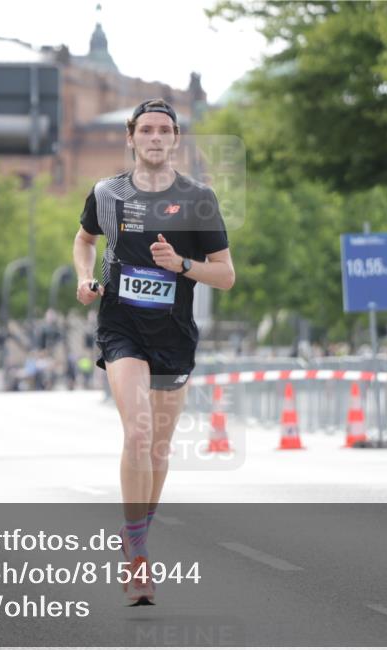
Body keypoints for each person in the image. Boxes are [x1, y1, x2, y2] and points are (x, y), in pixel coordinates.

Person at [73, 98, 236, 604]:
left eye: (165, 130)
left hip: (173, 335)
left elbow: (226, 276)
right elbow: (84, 241)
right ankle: (137, 558)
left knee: (159, 448)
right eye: (146, 129)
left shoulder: (198, 198)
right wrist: (85, 276)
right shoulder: (107, 193)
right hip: (121, 327)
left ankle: (139, 534)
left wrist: (181, 264)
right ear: (131, 137)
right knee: (138, 431)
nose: (155, 137)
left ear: (175, 140)